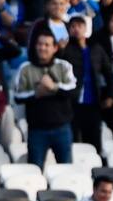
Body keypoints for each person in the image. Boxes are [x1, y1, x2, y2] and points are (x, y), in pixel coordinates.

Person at [13, 32, 78, 168]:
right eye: (39, 44)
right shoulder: (25, 68)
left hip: (62, 128)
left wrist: (53, 87)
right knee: (34, 170)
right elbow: (18, 97)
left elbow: (73, 91)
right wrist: (36, 94)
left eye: (47, 45)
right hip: (37, 130)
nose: (42, 48)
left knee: (65, 170)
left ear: (55, 48)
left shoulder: (64, 66)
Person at [60, 14, 113, 154]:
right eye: (72, 26)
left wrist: (110, 96)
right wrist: (60, 50)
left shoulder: (96, 48)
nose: (76, 29)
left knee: (94, 140)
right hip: (71, 102)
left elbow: (109, 73)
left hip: (93, 102)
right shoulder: (65, 48)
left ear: (85, 29)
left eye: (79, 26)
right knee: (72, 141)